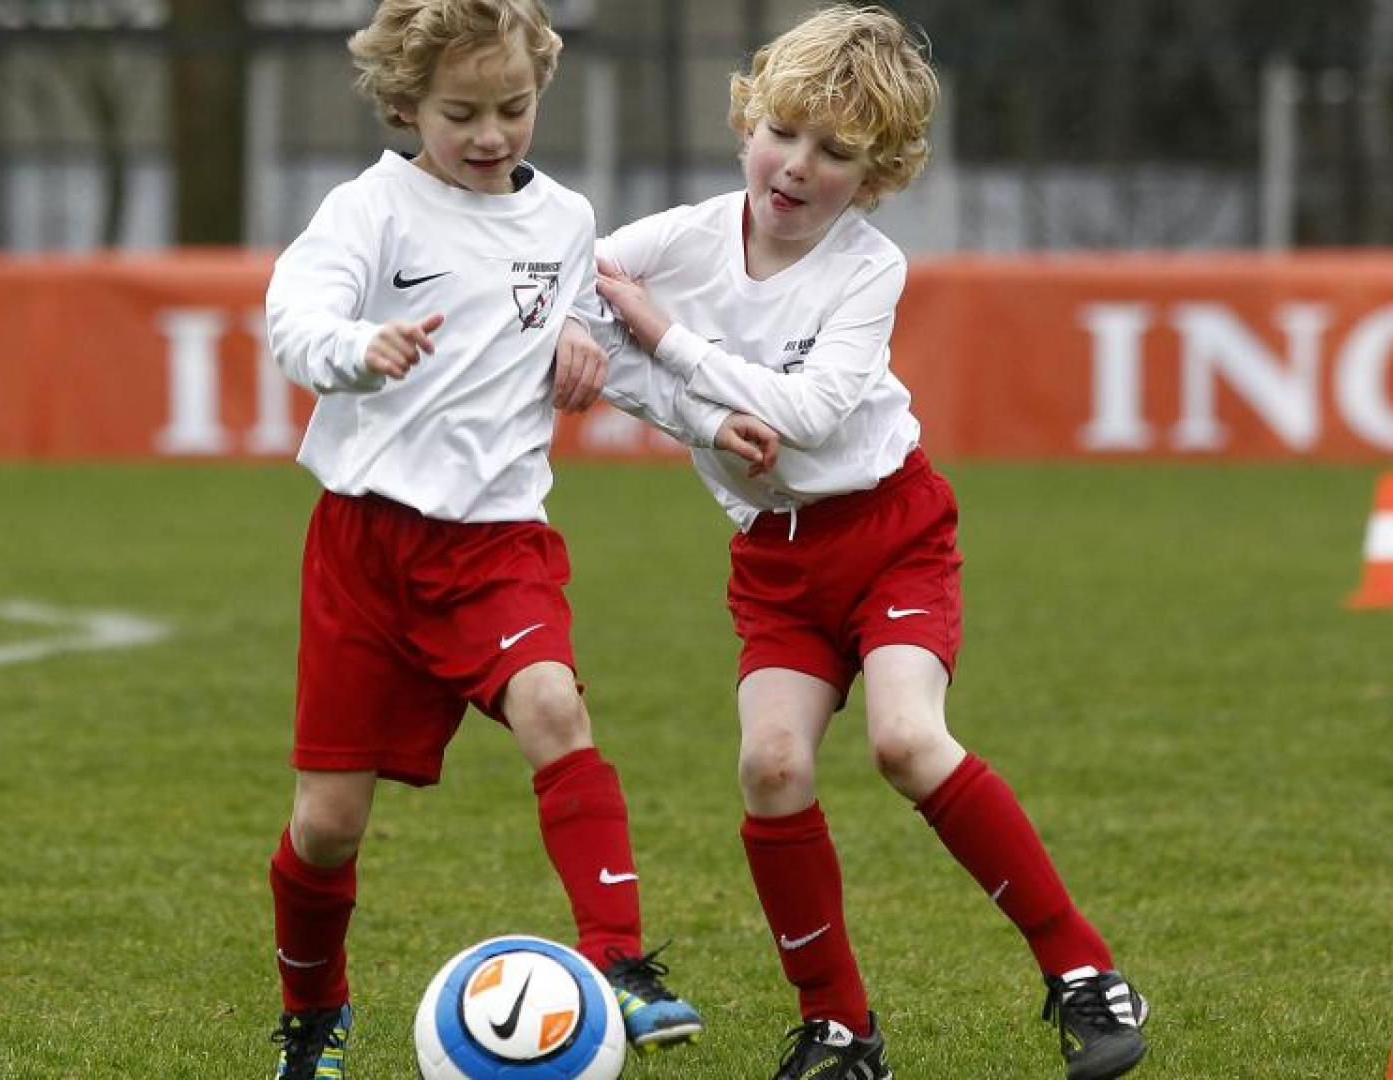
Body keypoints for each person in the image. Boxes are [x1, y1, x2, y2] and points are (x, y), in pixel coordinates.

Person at [576, 6, 1152, 1079]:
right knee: (771, 763)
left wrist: (660, 336)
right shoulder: (682, 235)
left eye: (835, 153)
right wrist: (623, 359)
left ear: (877, 174)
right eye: (784, 132)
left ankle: (1083, 972)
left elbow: (806, 411)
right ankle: (839, 1030)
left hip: (890, 534)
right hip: (777, 562)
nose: (796, 167)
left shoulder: (867, 268)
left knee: (904, 741)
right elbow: (573, 303)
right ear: (749, 116)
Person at [255, 1, 765, 1075]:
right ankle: (313, 1018)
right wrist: (361, 345)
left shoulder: (565, 220)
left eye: (514, 108)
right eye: (461, 113)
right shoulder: (371, 211)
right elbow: (295, 316)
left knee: (553, 707)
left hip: (498, 544)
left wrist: (591, 339)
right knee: (328, 826)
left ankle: (621, 964)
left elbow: (578, 329)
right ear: (404, 105)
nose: (491, 135)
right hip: (365, 552)